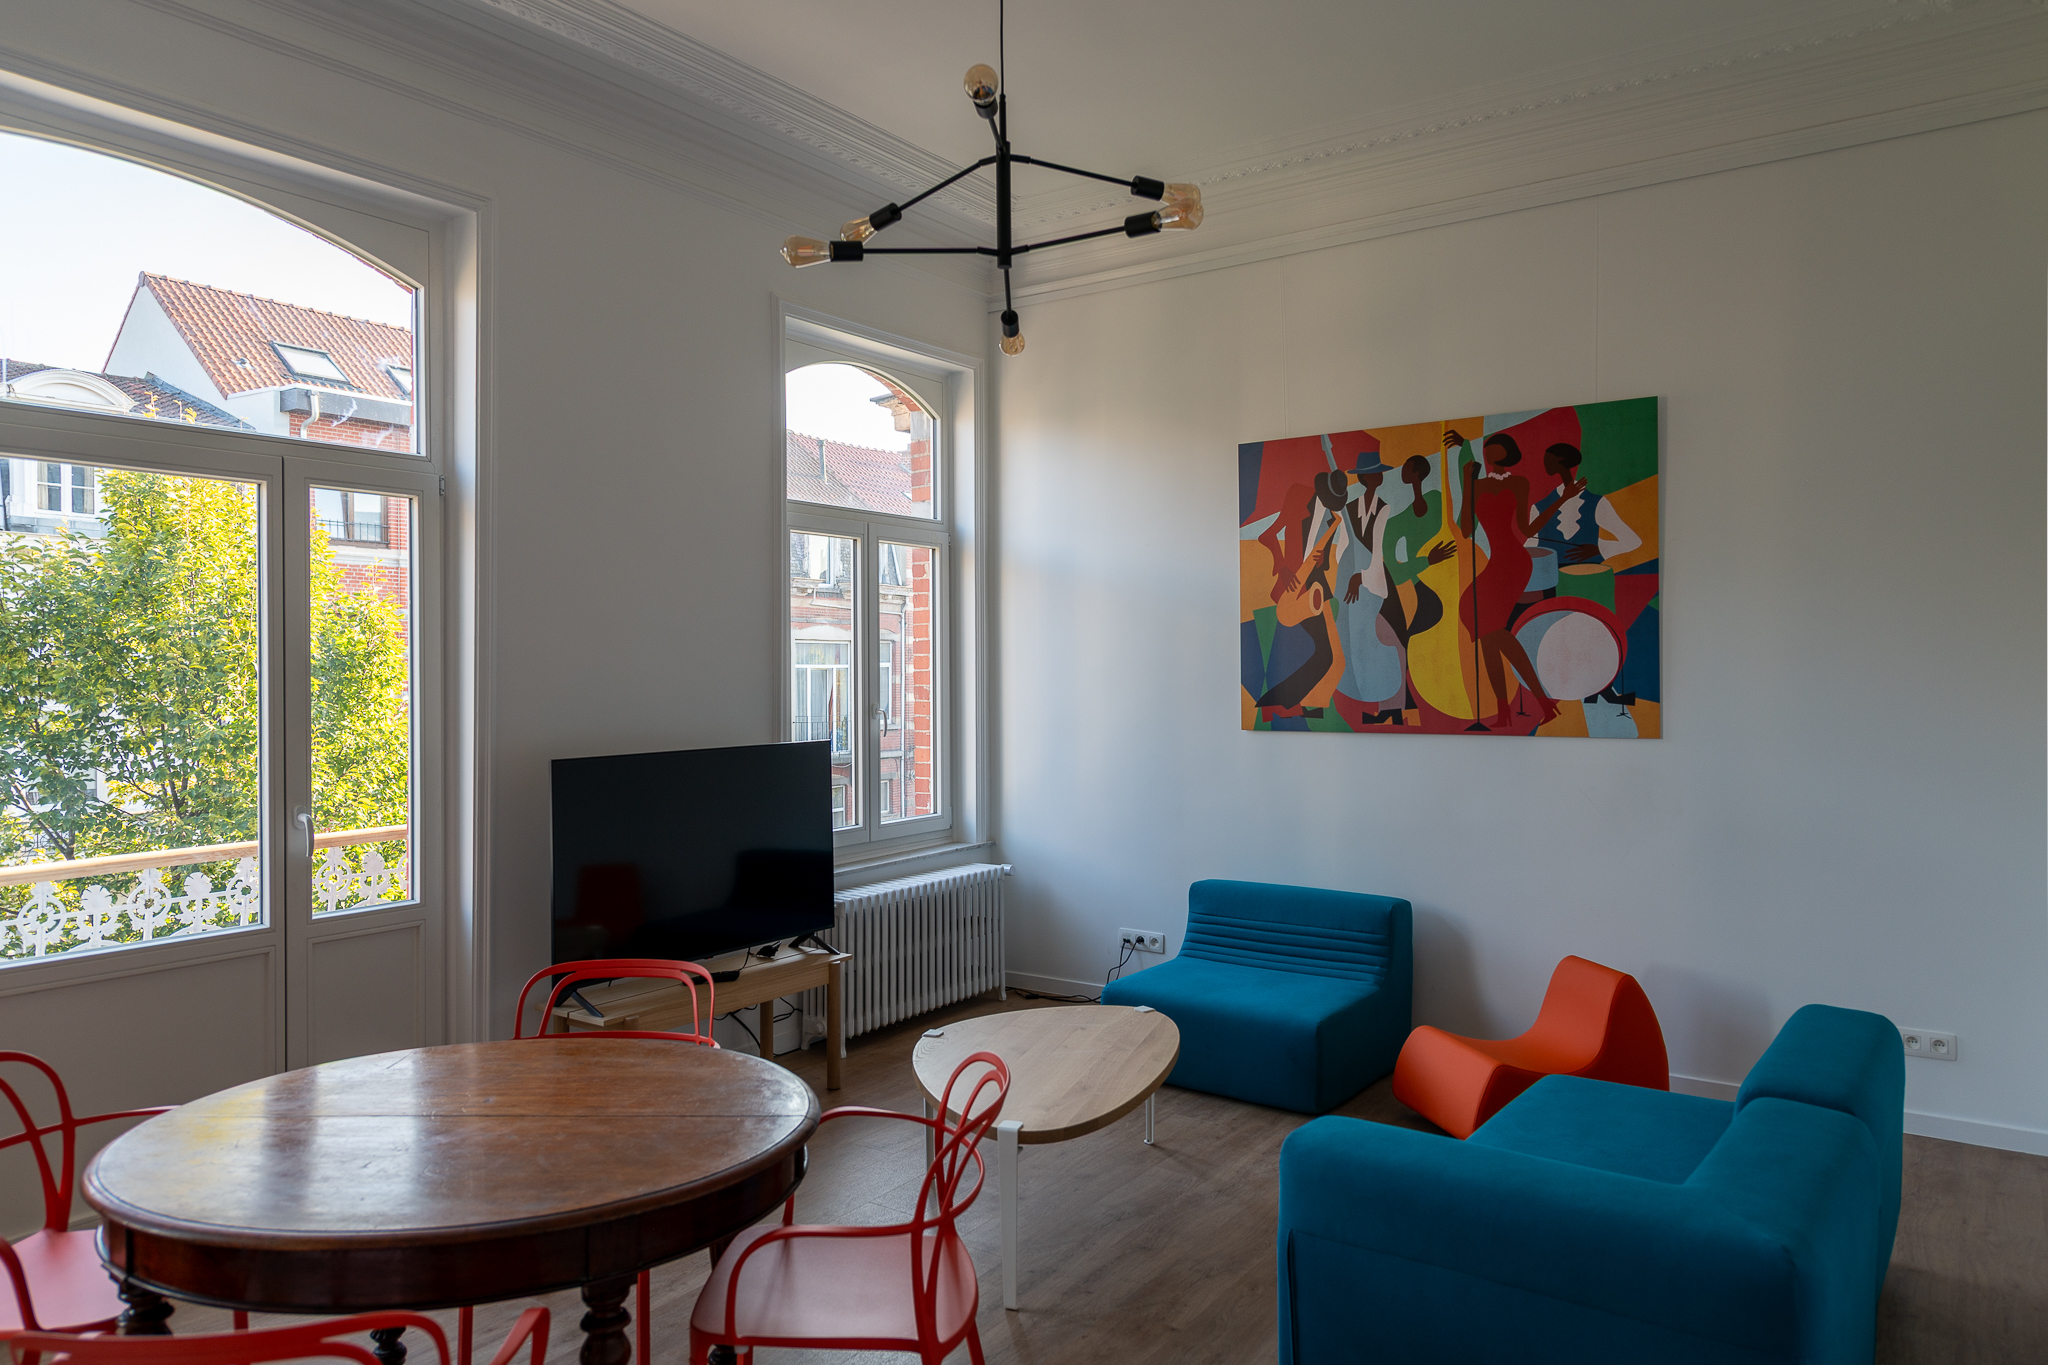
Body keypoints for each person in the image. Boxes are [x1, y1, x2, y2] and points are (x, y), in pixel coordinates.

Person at [1452, 429, 1562, 730]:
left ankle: (1520, 708)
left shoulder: (1519, 483)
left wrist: (1560, 501)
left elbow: (1527, 529)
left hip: (1514, 562)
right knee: (1488, 631)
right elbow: (1466, 529)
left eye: (1495, 446)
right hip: (1496, 563)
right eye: (1487, 447)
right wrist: (1467, 484)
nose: (1489, 450)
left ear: (1507, 451)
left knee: (1487, 629)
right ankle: (1530, 706)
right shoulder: (1477, 485)